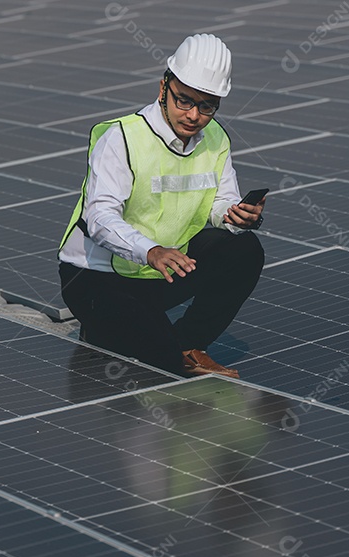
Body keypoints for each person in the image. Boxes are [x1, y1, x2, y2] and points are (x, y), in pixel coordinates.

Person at [58, 33, 265, 378]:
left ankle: (188, 343)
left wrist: (235, 216)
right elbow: (99, 217)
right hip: (96, 279)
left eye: (207, 106)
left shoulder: (215, 139)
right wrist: (151, 250)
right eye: (184, 100)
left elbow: (219, 202)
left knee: (244, 249)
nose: (194, 115)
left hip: (158, 272)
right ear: (163, 88)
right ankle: (109, 329)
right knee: (162, 366)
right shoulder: (123, 137)